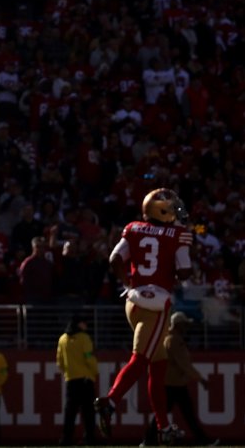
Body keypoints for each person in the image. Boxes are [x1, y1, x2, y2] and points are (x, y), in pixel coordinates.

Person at [95, 189, 194, 446]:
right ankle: (111, 401)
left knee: (157, 367)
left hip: (134, 301)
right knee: (140, 359)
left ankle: (163, 427)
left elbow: (115, 258)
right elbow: (184, 272)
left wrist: (127, 284)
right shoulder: (176, 236)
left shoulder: (135, 228)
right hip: (156, 304)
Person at [141, 312, 216, 446]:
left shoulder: (168, 338)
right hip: (174, 385)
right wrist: (200, 379)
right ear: (178, 325)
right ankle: (203, 441)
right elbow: (184, 364)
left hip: (171, 383)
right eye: (184, 325)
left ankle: (148, 441)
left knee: (165, 415)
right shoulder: (175, 340)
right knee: (187, 416)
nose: (186, 328)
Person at [56, 315, 98, 446]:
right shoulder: (84, 338)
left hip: (71, 381)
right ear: (80, 324)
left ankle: (66, 439)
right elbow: (88, 357)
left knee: (70, 413)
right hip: (85, 380)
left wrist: (67, 374)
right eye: (85, 323)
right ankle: (89, 439)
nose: (86, 326)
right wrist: (94, 371)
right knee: (88, 413)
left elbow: (60, 361)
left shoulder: (62, 339)